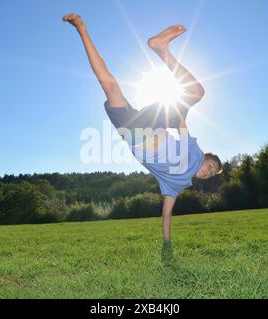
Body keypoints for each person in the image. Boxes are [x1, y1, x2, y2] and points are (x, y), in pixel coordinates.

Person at [63, 13, 222, 244]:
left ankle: (82, 30)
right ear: (205, 157)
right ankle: (160, 48)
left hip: (134, 133)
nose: (208, 171)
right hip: (155, 124)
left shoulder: (176, 185)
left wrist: (167, 242)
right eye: (211, 166)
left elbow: (167, 214)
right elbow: (182, 128)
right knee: (197, 93)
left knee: (109, 85)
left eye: (210, 173)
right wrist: (179, 109)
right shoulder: (196, 154)